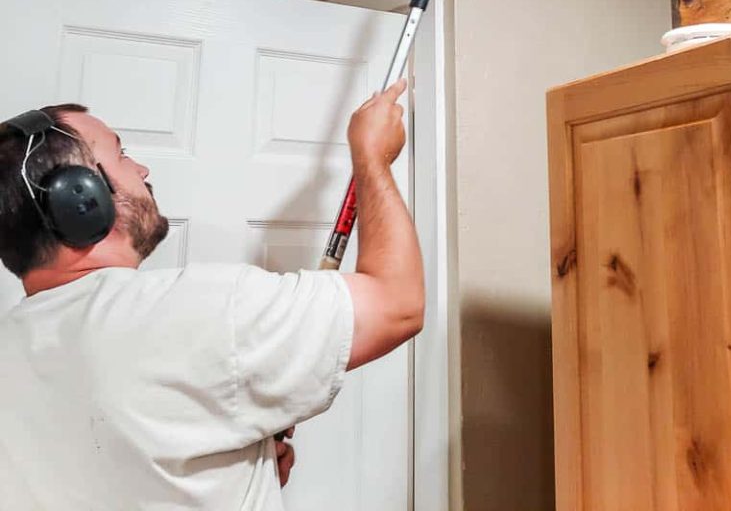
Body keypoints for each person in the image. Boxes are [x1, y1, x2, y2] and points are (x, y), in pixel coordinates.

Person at [0, 80, 423, 509]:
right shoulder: (194, 309)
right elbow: (397, 305)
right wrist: (373, 158)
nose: (142, 170)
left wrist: (237, 467)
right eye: (121, 154)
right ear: (79, 198)